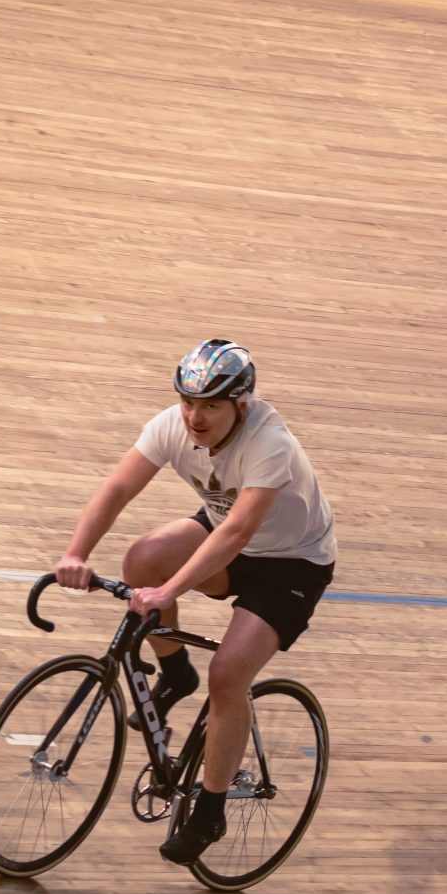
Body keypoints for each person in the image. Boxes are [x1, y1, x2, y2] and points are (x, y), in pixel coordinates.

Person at [55, 340, 337, 865]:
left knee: (228, 675)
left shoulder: (269, 442)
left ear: (241, 405)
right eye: (188, 402)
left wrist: (169, 593)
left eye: (211, 405)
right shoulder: (172, 426)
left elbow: (236, 533)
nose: (195, 417)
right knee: (142, 559)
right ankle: (175, 672)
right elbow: (116, 490)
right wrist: (75, 553)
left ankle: (209, 810)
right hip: (230, 538)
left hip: (291, 564)